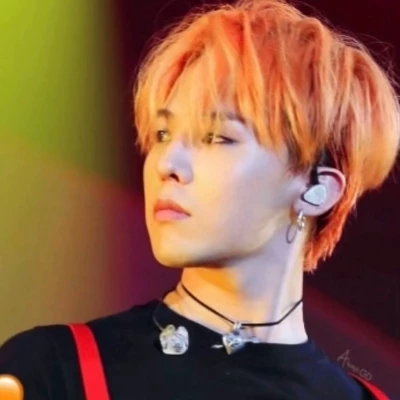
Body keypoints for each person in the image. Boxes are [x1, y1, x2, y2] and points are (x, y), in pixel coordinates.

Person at [0, 0, 399, 399]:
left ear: (317, 190)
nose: (166, 164)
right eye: (162, 134)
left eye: (216, 137)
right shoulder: (54, 371)